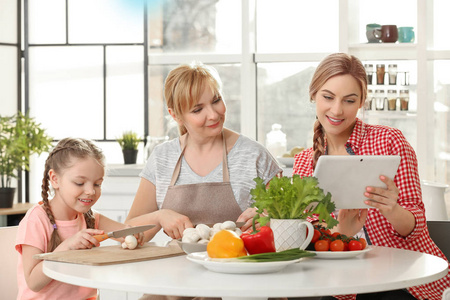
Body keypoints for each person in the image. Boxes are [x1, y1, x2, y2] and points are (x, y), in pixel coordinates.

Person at [293, 53, 450, 300]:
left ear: (361, 102)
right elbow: (308, 237)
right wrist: (340, 231)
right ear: (313, 95)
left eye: (349, 100)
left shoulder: (389, 141)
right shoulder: (304, 163)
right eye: (328, 97)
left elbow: (416, 226)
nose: (336, 109)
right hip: (340, 284)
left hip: (403, 280)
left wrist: (392, 210)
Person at [125, 62, 282, 241]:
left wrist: (269, 218)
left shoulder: (254, 155)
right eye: (198, 109)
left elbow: (289, 221)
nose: (213, 114)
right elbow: (129, 233)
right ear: (176, 115)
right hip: (175, 267)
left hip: (237, 264)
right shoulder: (162, 158)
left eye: (216, 100)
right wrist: (159, 216)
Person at [15, 138, 144, 300]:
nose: (90, 191)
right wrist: (67, 246)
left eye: (97, 184)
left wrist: (132, 235)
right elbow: (33, 282)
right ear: (55, 179)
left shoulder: (90, 217)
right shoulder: (36, 221)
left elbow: (125, 231)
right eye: (79, 183)